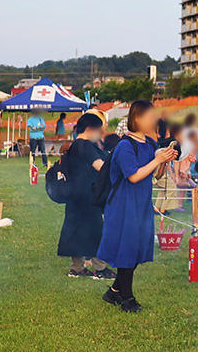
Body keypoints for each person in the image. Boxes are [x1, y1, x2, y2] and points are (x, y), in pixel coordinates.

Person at [96, 99, 182, 313]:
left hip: (141, 203)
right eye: (149, 116)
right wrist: (156, 159)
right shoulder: (125, 145)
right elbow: (133, 176)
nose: (154, 120)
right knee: (127, 249)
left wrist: (165, 159)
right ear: (137, 119)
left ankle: (114, 292)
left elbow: (156, 174)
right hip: (123, 204)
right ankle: (127, 297)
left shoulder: (151, 144)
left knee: (135, 250)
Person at [59, 113, 113, 278]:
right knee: (96, 231)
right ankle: (100, 268)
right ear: (90, 129)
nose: (100, 134)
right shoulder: (85, 146)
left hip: (75, 196)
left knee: (75, 230)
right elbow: (101, 167)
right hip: (88, 196)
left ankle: (77, 268)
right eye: (99, 130)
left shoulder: (75, 145)